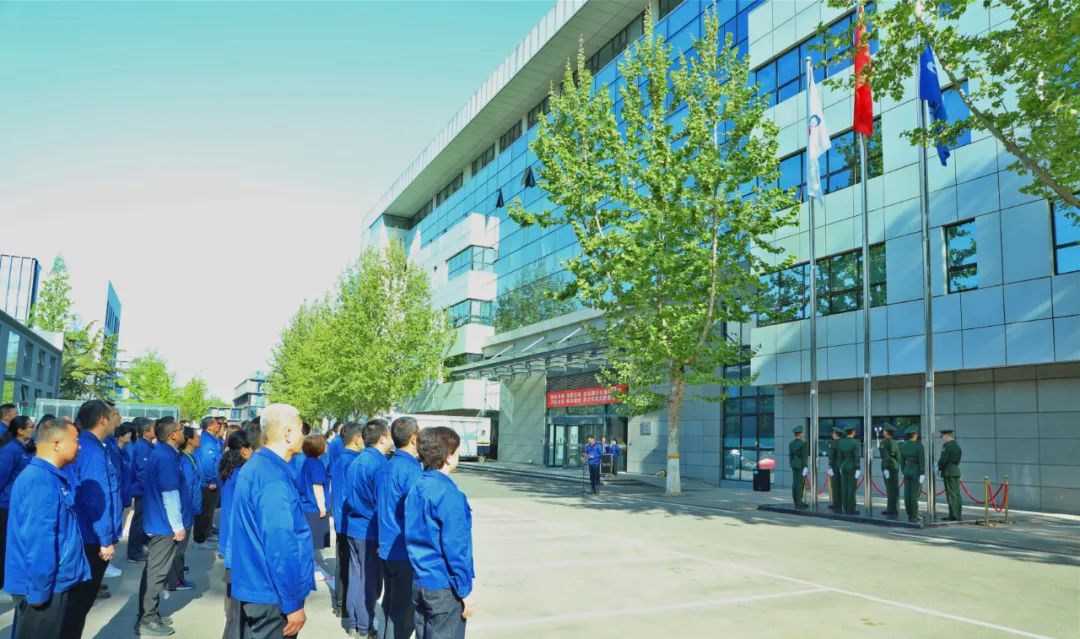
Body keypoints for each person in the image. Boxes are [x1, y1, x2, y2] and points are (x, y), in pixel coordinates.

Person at [228, 403, 314, 638]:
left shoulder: (258, 467)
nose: (304, 436)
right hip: (270, 594)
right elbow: (280, 545)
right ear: (288, 433)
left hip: (258, 585)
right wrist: (292, 603)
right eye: (300, 430)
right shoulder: (272, 478)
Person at [3, 417, 88, 639]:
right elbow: (39, 541)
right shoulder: (40, 481)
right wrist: (40, 590)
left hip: (53, 581)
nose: (79, 446)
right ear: (56, 444)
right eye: (76, 440)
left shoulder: (51, 477)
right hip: (45, 585)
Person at [405, 426, 475, 639]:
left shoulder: (417, 486)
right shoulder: (448, 494)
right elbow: (456, 548)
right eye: (457, 451)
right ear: (448, 457)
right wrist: (465, 591)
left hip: (420, 580)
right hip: (443, 587)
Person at [68, 400, 122, 635]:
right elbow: (96, 498)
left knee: (78, 603)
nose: (116, 420)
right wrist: (105, 539)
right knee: (79, 603)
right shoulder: (91, 451)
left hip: (90, 533)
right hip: (91, 536)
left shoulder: (96, 446)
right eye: (113, 415)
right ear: (102, 419)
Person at [136, 416, 187, 637]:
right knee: (156, 573)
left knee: (154, 570)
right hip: (163, 525)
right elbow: (170, 494)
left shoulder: (164, 453)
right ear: (172, 435)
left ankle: (149, 614)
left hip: (160, 522)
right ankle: (147, 619)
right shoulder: (165, 456)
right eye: (180, 429)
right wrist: (178, 526)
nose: (184, 432)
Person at [344, 419, 391, 639]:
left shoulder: (357, 460)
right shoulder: (379, 464)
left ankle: (354, 622)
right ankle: (364, 626)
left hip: (354, 527)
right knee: (370, 581)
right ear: (382, 439)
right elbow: (382, 504)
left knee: (356, 576)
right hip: (369, 530)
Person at [376, 417, 422, 639]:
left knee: (390, 605)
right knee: (402, 614)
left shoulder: (386, 465)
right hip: (403, 550)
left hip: (386, 546)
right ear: (414, 438)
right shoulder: (411, 471)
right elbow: (418, 514)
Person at [219, 430, 253, 639]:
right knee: (236, 605)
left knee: (232, 595)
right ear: (244, 450)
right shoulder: (242, 473)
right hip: (237, 540)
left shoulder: (228, 468)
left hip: (228, 538)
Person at [330, 421, 364, 619]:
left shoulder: (340, 459)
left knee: (342, 563)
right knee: (349, 566)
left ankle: (339, 603)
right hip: (348, 519)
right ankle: (343, 606)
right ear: (357, 439)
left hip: (340, 517)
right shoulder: (353, 461)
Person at [0, 415, 34, 603]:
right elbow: (2, 475)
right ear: (20, 431)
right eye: (30, 427)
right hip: (5, 504)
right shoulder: (11, 449)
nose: (33, 429)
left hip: (18, 505)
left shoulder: (25, 448)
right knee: (4, 545)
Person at [167, 426, 200, 592]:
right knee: (178, 548)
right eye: (197, 436)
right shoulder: (185, 461)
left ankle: (176, 576)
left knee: (179, 548)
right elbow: (186, 489)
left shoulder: (188, 458)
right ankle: (176, 580)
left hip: (187, 509)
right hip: (184, 511)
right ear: (190, 440)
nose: (199, 438)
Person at [296, 434, 330, 581]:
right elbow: (317, 486)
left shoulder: (307, 462)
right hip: (314, 508)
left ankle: (309, 569)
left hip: (306, 506)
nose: (326, 445)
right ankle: (310, 571)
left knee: (308, 542)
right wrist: (322, 507)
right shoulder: (316, 464)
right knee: (311, 544)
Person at [128, 417, 156, 563]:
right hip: (143, 491)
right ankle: (134, 552)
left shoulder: (148, 446)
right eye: (153, 428)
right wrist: (150, 491)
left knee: (144, 521)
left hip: (146, 491)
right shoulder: (142, 448)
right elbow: (142, 473)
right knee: (139, 522)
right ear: (146, 432)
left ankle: (141, 547)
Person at [193, 416, 223, 548]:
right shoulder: (207, 442)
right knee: (205, 511)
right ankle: (201, 538)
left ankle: (207, 533)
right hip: (208, 483)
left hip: (211, 481)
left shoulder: (212, 440)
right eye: (216, 424)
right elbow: (207, 463)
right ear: (209, 426)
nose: (219, 425)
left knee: (209, 511)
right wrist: (212, 480)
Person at [899, 426, 925, 522]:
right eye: (916, 433)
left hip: (907, 470)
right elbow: (921, 461)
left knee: (907, 493)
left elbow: (902, 461)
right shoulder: (919, 446)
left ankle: (909, 513)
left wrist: (903, 470)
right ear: (914, 435)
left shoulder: (903, 445)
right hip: (916, 470)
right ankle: (914, 515)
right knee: (914, 494)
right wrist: (922, 473)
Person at [938, 429, 963, 521]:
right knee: (957, 493)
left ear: (946, 436)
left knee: (950, 493)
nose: (943, 439)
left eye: (943, 436)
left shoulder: (946, 445)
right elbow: (958, 459)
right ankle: (958, 513)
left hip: (948, 471)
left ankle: (953, 514)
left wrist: (939, 467)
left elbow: (943, 459)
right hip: (956, 470)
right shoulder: (956, 445)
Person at [837, 425, 861, 516]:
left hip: (843, 465)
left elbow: (839, 457)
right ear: (853, 432)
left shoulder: (841, 442)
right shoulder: (855, 442)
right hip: (852, 466)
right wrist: (858, 468)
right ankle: (851, 508)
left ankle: (845, 507)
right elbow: (857, 457)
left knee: (844, 487)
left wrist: (840, 466)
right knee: (851, 488)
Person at [879, 424, 901, 517]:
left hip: (888, 466)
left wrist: (885, 468)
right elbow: (898, 456)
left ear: (886, 432)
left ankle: (890, 509)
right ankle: (895, 508)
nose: (883, 432)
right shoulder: (896, 442)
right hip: (895, 465)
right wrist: (897, 465)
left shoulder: (883, 443)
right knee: (895, 488)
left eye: (884, 431)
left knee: (889, 488)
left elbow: (885, 456)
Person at [788, 425, 808, 509]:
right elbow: (804, 456)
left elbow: (790, 455)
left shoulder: (791, 443)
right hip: (800, 464)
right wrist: (805, 466)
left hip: (794, 463)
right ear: (801, 434)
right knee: (800, 483)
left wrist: (791, 463)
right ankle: (799, 502)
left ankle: (796, 501)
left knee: (795, 483)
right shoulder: (803, 443)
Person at [826, 427, 842, 512]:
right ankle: (842, 502)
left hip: (835, 466)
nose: (832, 434)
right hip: (842, 466)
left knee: (835, 485)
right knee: (842, 485)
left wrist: (830, 466)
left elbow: (831, 456)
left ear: (836, 434)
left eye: (833, 433)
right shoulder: (842, 442)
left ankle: (836, 503)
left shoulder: (832, 443)